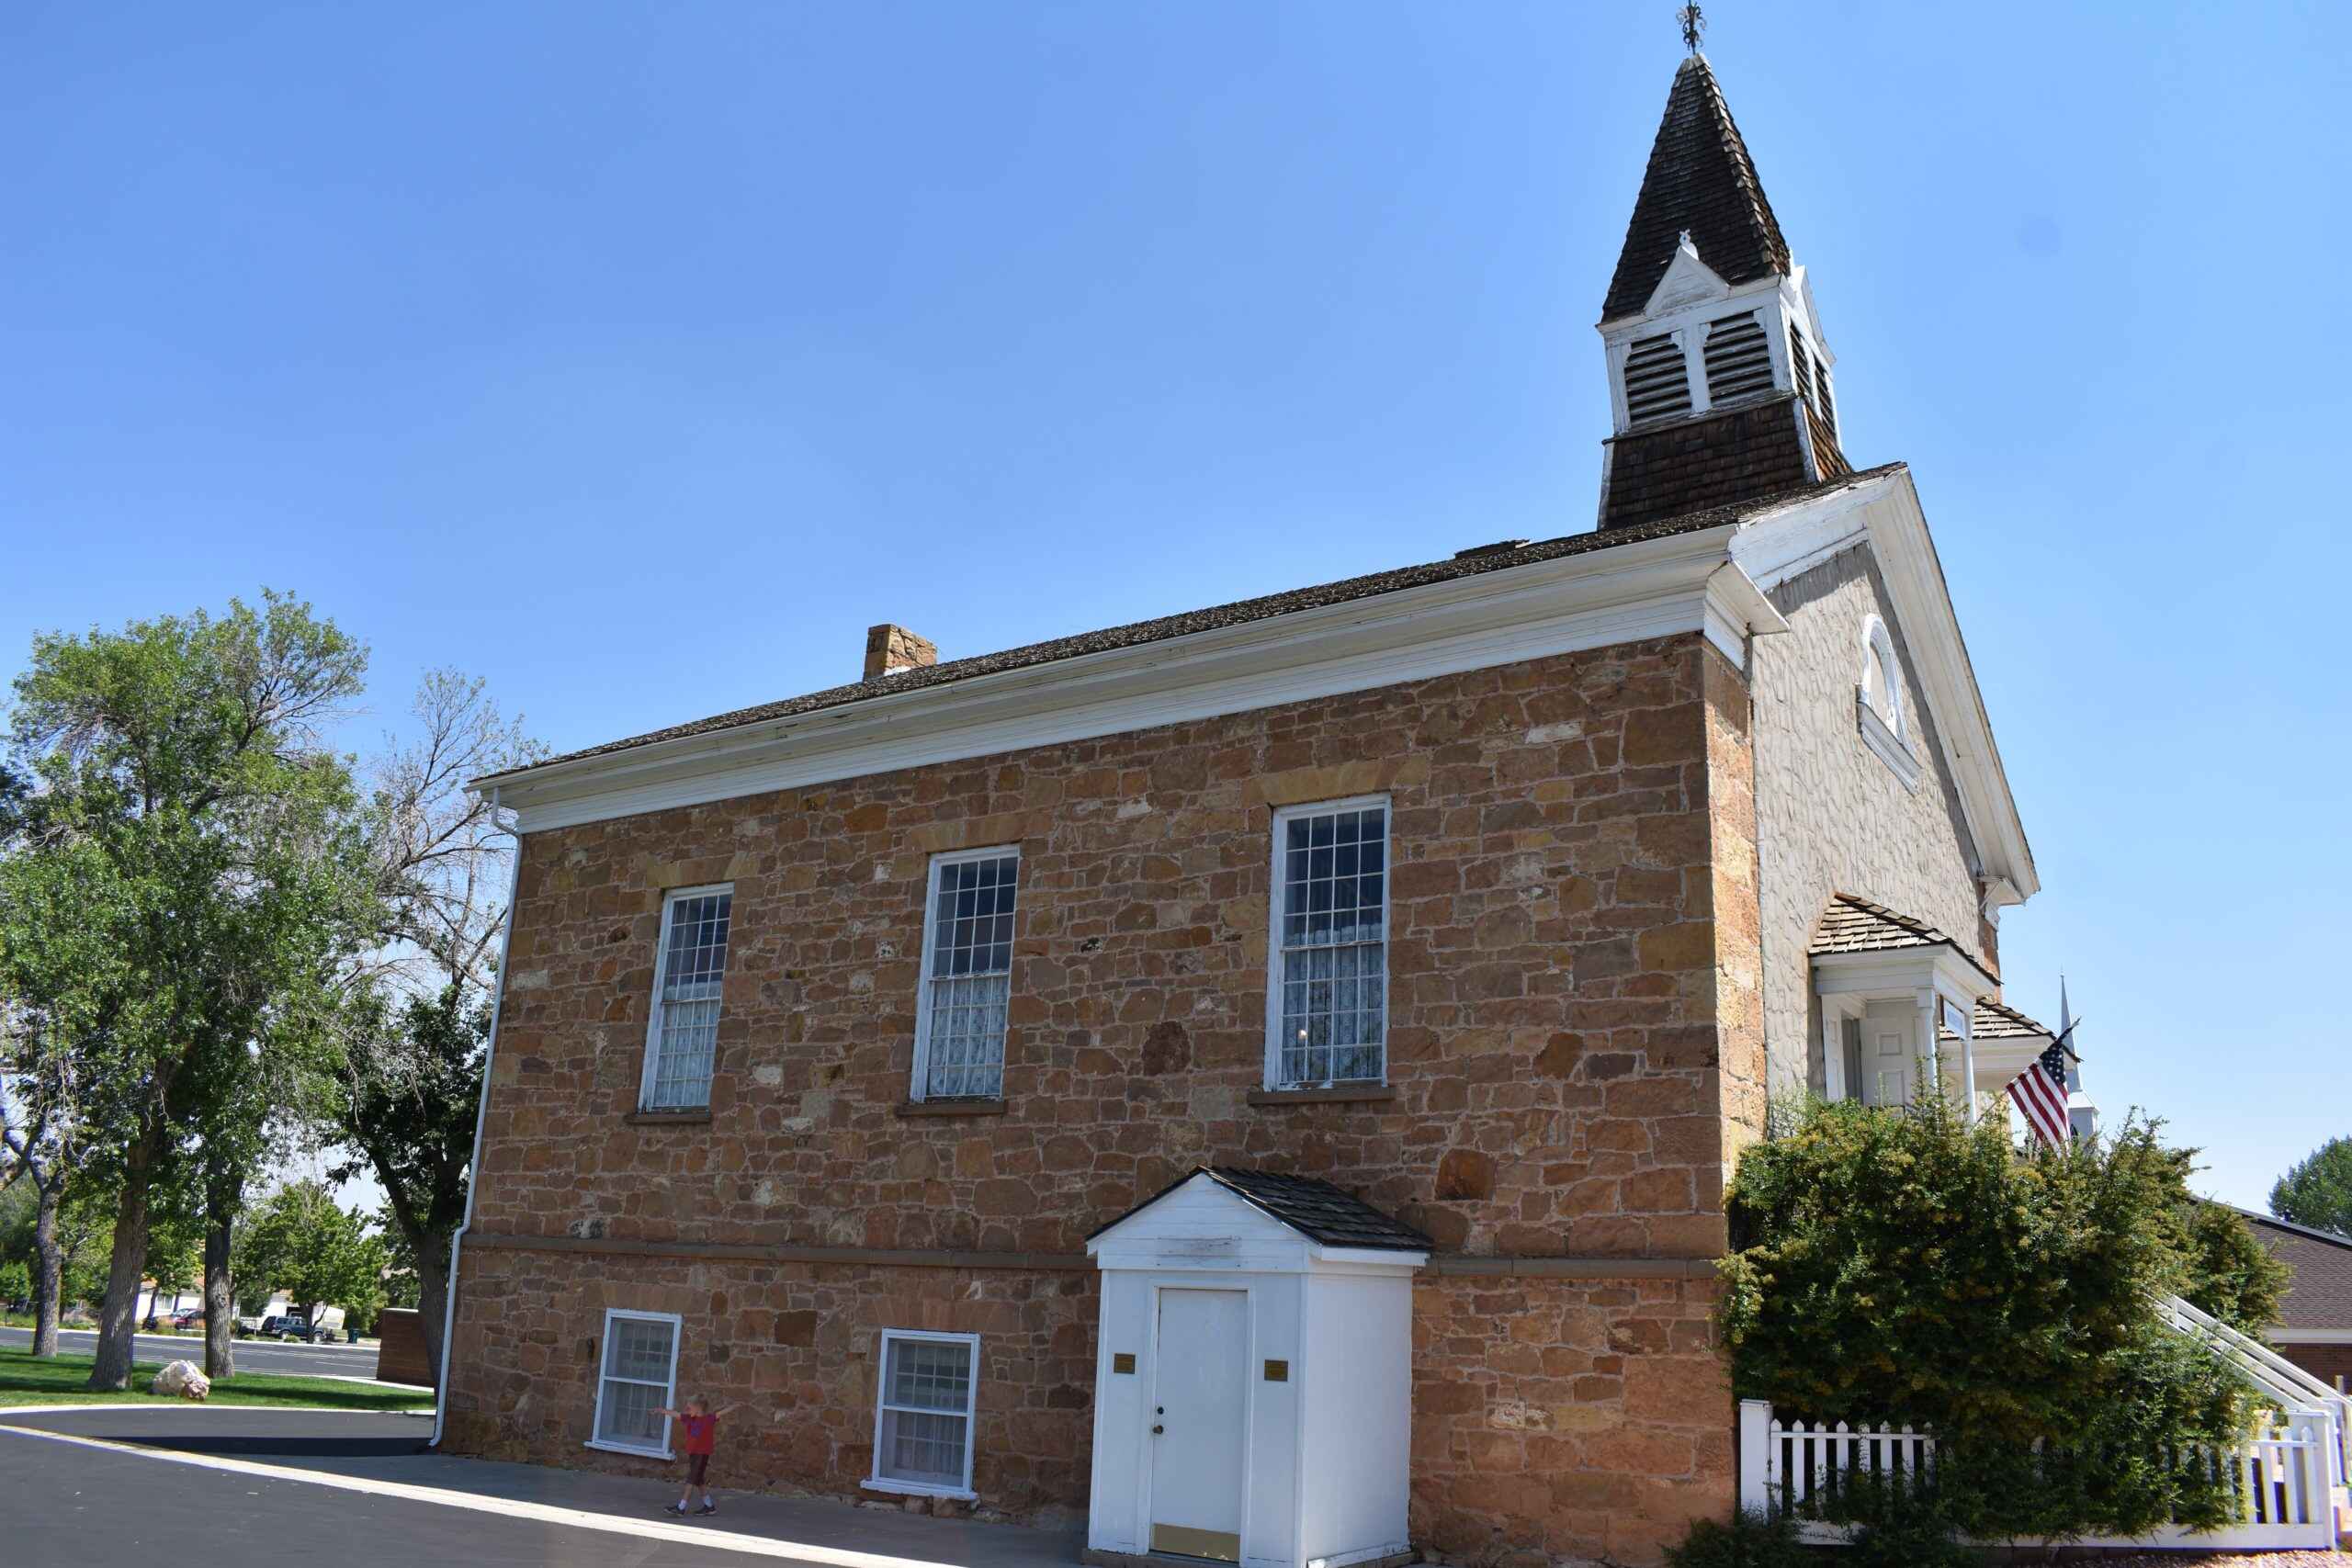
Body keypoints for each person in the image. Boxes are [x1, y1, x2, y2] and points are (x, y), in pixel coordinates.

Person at [653, 1394, 741, 1516]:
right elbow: (676, 1414)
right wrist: (662, 1411)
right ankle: (709, 1506)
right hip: (693, 1454)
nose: (686, 1410)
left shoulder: (709, 1419)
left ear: (698, 1408)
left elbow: (721, 1413)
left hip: (702, 1454)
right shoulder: (689, 1418)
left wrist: (734, 1406)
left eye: (689, 1408)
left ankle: (681, 1507)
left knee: (691, 1479)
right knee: (699, 1480)